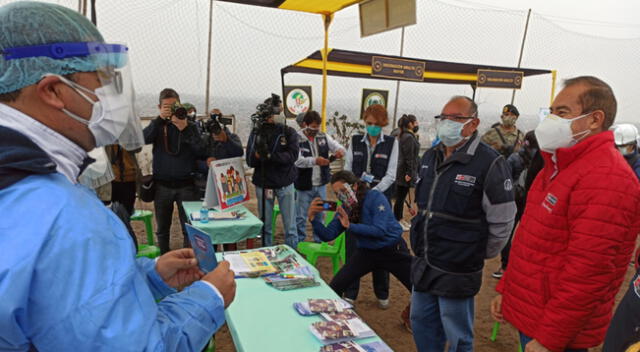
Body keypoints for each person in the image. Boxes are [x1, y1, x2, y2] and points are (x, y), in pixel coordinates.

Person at [0, 2, 236, 350]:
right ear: (52, 91)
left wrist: (149, 277)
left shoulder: (20, 184)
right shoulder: (67, 220)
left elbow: (59, 305)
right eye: (101, 80)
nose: (110, 97)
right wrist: (209, 297)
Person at [491, 76, 640, 352]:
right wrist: (506, 290)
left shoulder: (608, 179)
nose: (551, 120)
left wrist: (550, 338)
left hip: (557, 332)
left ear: (595, 119)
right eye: (551, 112)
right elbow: (530, 241)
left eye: (562, 113)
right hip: (535, 313)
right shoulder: (558, 166)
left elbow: (589, 274)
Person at [410, 96, 516, 352]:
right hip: (425, 260)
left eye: (456, 118)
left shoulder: (489, 163)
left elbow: (503, 221)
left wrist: (477, 250)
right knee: (421, 320)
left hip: (457, 266)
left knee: (457, 333)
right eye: (443, 117)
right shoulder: (430, 156)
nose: (447, 123)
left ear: (473, 123)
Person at [307, 170, 412, 303]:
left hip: (392, 249)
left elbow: (380, 230)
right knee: (335, 286)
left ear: (354, 186)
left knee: (418, 286)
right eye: (336, 193)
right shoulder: (346, 208)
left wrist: (350, 226)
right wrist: (313, 218)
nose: (340, 196)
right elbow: (328, 235)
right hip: (366, 252)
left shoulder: (376, 197)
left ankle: (420, 316)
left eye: (342, 191)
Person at [344, 104, 399, 309]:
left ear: (383, 123)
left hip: (379, 203)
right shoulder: (356, 141)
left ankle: (382, 291)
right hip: (356, 201)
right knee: (353, 247)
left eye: (376, 124)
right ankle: (350, 292)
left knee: (381, 244)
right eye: (369, 124)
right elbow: (348, 168)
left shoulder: (392, 143)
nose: (372, 127)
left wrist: (373, 194)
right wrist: (355, 188)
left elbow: (391, 174)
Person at [143, 89, 208, 254]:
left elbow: (201, 150)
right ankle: (164, 259)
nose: (171, 110)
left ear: (180, 105)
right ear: (159, 107)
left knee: (189, 227)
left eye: (174, 106)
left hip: (186, 185)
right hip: (162, 185)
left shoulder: (189, 126)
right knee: (162, 229)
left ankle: (189, 260)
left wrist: (184, 128)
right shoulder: (157, 126)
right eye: (167, 107)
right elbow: (143, 139)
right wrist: (159, 120)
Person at [246, 95, 299, 248]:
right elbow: (250, 160)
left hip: (285, 183)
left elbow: (292, 156)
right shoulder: (257, 133)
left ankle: (293, 254)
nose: (282, 114)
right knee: (265, 226)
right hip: (264, 184)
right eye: (279, 111)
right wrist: (258, 156)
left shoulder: (288, 132)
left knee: (290, 226)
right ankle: (266, 252)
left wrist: (270, 156)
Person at [491, 131, 544, 279]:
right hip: (533, 202)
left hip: (514, 199)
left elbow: (504, 180)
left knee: (508, 233)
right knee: (529, 235)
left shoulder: (515, 158)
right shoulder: (542, 160)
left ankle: (505, 267)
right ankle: (525, 268)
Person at [294, 110, 345, 243]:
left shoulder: (323, 136)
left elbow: (338, 147)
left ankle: (319, 240)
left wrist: (339, 152)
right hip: (303, 184)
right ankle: (300, 241)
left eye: (318, 126)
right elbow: (297, 161)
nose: (315, 130)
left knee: (321, 213)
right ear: (305, 124)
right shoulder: (296, 138)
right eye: (313, 127)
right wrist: (315, 161)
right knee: (301, 216)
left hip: (321, 184)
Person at [393, 114, 420, 231]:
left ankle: (400, 218)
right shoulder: (408, 137)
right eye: (416, 122)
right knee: (400, 197)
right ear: (410, 124)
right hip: (404, 172)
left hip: (404, 170)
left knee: (401, 196)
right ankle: (397, 220)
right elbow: (409, 157)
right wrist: (409, 173)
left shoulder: (406, 136)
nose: (417, 124)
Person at [105, 144, 140, 215]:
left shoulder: (127, 133)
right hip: (111, 179)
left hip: (129, 177)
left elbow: (138, 148)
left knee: (127, 213)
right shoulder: (106, 136)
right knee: (112, 214)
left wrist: (125, 142)